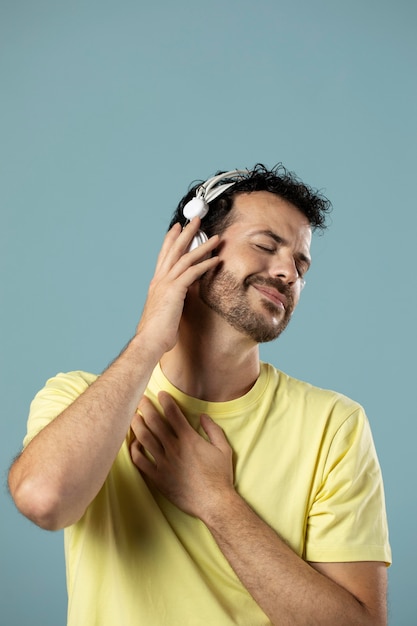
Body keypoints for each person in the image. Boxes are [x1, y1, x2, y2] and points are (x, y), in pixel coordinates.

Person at [8, 164, 391, 626]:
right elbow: (44, 501)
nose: (289, 272)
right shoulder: (78, 399)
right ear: (192, 250)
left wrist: (216, 501)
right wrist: (149, 337)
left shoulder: (335, 424)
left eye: (301, 264)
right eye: (267, 246)